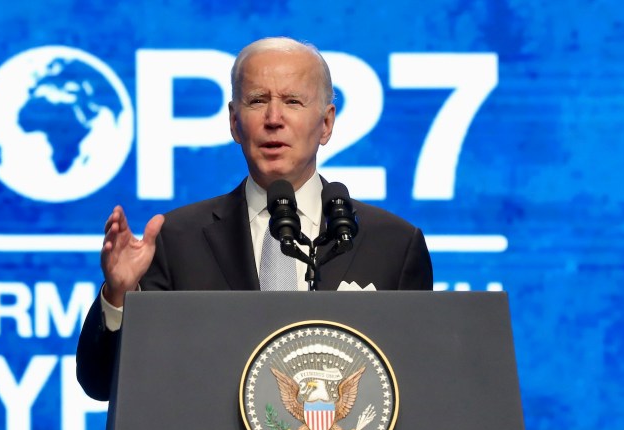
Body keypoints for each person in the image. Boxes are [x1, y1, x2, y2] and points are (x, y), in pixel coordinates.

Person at [76, 37, 433, 401]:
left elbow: (422, 390)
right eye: (257, 101)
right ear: (234, 121)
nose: (273, 119)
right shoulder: (176, 240)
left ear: (326, 124)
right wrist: (120, 296)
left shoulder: (393, 244)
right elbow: (101, 383)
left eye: (293, 101)